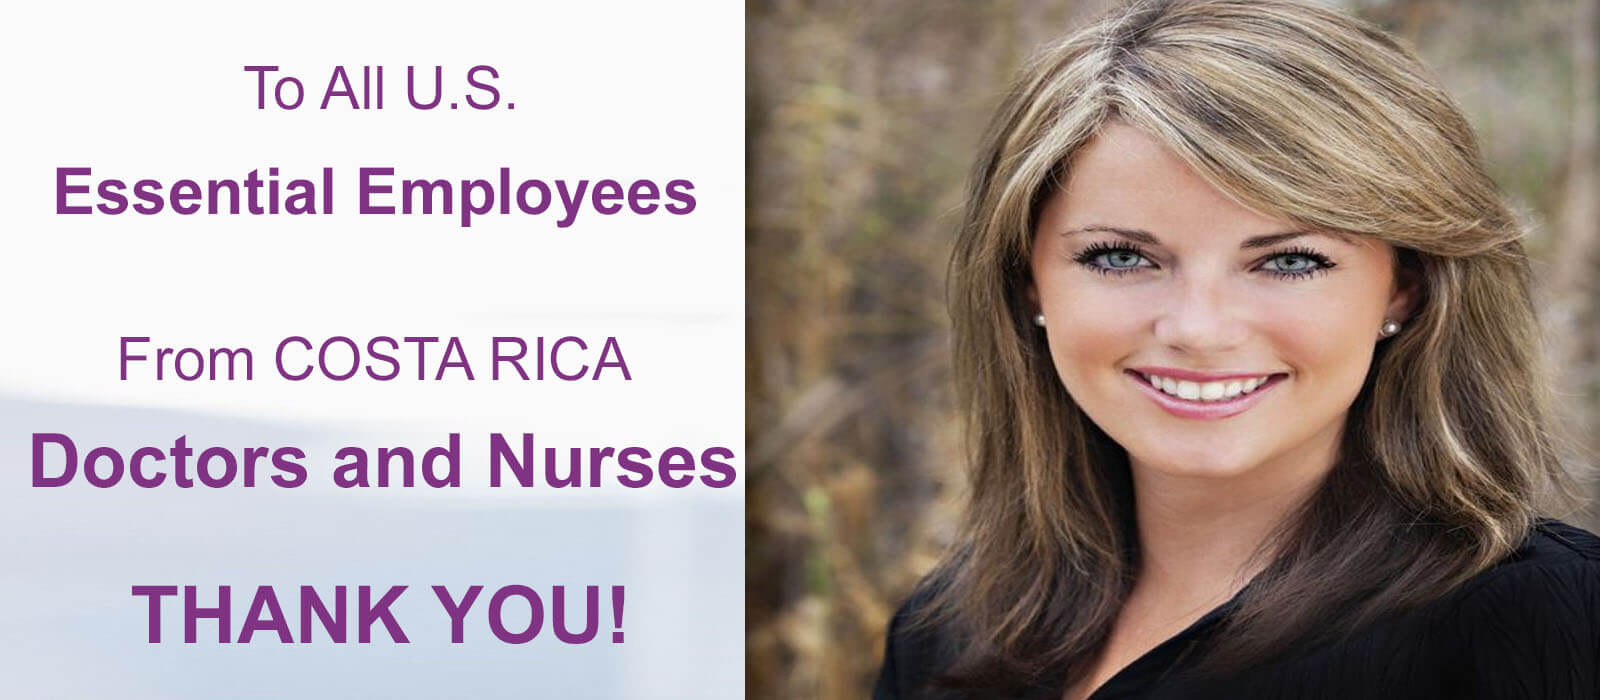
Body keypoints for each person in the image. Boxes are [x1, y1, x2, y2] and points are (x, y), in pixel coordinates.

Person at [872, 0, 1600, 698]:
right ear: (1028, 284)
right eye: (1122, 258)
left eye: (1288, 262)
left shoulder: (1545, 617)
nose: (1199, 328)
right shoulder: (949, 633)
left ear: (1403, 288)